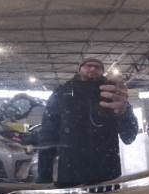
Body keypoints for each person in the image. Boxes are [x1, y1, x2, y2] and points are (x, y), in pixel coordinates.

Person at [37, 58, 138, 187]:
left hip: (107, 176)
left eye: (98, 67)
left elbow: (129, 137)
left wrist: (125, 111)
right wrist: (44, 177)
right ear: (79, 69)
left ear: (102, 72)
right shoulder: (62, 92)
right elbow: (47, 135)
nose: (93, 68)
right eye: (88, 65)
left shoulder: (112, 94)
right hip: (70, 176)